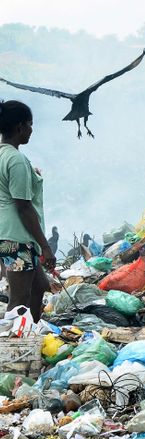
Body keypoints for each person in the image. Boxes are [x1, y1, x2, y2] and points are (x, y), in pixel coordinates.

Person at [0, 100, 54, 320]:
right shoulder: (16, 160)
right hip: (18, 238)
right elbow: (23, 207)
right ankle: (11, 346)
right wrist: (45, 246)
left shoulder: (4, 155)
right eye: (30, 125)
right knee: (18, 301)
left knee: (40, 285)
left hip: (8, 234)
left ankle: (29, 332)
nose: (32, 130)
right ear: (20, 126)